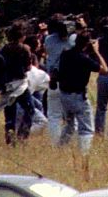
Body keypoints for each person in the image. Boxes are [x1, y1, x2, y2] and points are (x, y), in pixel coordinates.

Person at [58, 30, 108, 154]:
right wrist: (96, 51)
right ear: (87, 44)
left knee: (69, 125)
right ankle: (84, 154)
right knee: (86, 129)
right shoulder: (84, 59)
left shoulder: (65, 54)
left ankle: (60, 149)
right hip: (78, 96)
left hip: (64, 95)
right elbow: (105, 70)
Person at [0, 21, 35, 145]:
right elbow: (29, 67)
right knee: (30, 109)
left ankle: (10, 139)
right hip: (20, 84)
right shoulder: (24, 48)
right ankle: (22, 135)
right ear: (22, 36)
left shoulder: (4, 49)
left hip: (7, 84)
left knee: (10, 114)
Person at [44, 14, 77, 144]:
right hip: (70, 80)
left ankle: (54, 143)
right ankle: (69, 142)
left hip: (53, 79)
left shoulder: (48, 40)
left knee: (53, 115)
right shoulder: (74, 39)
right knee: (72, 114)